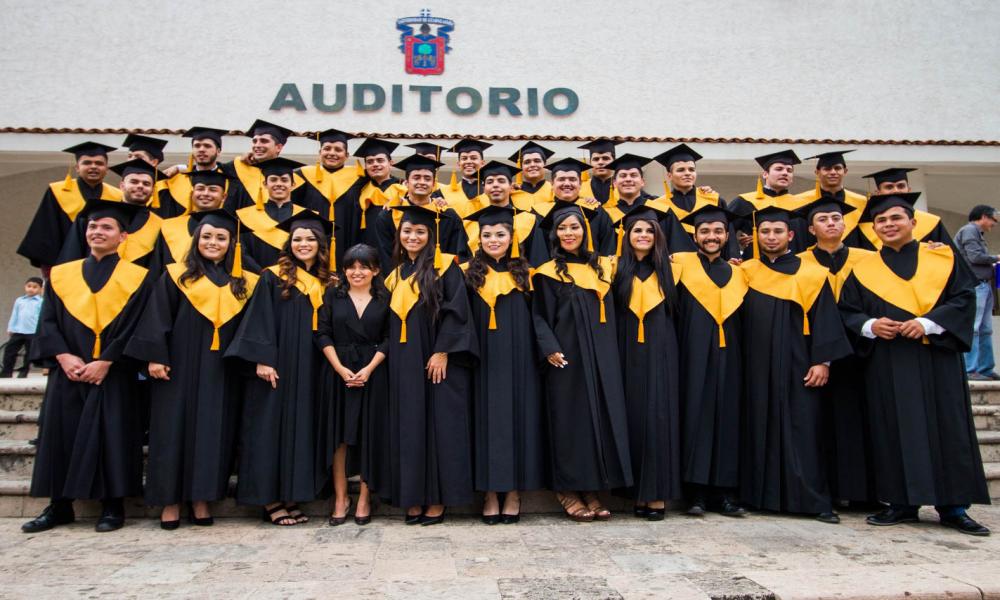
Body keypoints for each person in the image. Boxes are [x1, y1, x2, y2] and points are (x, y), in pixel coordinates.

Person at [839, 192, 992, 536]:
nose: (889, 225)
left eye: (896, 218)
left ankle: (954, 507)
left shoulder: (942, 259)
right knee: (892, 427)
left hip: (937, 357)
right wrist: (870, 325)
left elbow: (964, 299)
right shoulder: (863, 268)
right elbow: (848, 311)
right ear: (873, 227)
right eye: (881, 221)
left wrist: (927, 323)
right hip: (888, 360)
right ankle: (901, 502)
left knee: (947, 427)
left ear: (912, 222)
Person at [21, 200, 152, 534]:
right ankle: (59, 505)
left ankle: (112, 505)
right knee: (60, 436)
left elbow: (138, 326)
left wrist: (107, 360)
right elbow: (47, 322)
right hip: (70, 370)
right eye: (93, 226)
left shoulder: (139, 278)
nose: (97, 232)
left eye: (107, 227)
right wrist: (63, 357)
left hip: (113, 372)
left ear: (123, 236)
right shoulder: (62, 275)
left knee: (115, 436)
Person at [125, 209, 258, 529]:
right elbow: (157, 318)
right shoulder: (175, 275)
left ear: (232, 244)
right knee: (171, 432)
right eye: (208, 236)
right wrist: (155, 357)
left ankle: (201, 498)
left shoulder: (243, 282)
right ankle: (170, 501)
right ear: (196, 239)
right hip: (178, 368)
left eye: (222, 238)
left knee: (215, 434)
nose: (214, 242)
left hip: (222, 371)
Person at [739, 206, 852, 523]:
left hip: (799, 363)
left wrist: (822, 361)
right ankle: (759, 496)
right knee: (758, 425)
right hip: (756, 365)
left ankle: (813, 500)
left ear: (790, 235)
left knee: (803, 428)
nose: (771, 236)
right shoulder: (746, 272)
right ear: (756, 236)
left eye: (777, 231)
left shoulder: (813, 274)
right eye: (765, 231)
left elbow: (826, 320)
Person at [225, 212, 336, 525]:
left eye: (310, 239)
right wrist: (263, 359)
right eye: (297, 239)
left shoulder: (330, 281)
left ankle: (291, 495)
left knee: (303, 429)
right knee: (269, 429)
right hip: (279, 366)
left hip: (314, 368)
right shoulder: (272, 276)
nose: (303, 244)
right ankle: (270, 500)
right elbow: (260, 319)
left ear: (321, 245)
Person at [532, 203, 631, 521]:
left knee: (596, 422)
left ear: (585, 231)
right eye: (562, 228)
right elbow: (539, 315)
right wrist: (549, 347)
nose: (569, 233)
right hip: (566, 358)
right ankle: (567, 490)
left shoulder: (603, 268)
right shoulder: (547, 272)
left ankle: (590, 488)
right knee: (569, 423)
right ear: (555, 234)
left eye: (574, 227)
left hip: (602, 357)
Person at [381, 204, 478, 526]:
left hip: (436, 361)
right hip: (403, 363)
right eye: (407, 231)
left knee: (440, 427)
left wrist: (442, 352)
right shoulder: (395, 273)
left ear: (430, 236)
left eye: (420, 231)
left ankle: (437, 498)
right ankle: (413, 496)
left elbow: (457, 311)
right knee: (409, 427)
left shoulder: (445, 267)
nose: (413, 236)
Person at [463, 205, 545, 524]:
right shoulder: (467, 273)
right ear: (478, 238)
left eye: (500, 234)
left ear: (512, 238)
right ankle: (489, 491)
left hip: (519, 358)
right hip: (482, 358)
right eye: (487, 235)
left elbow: (539, 316)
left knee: (517, 421)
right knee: (485, 422)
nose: (493, 239)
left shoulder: (526, 273)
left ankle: (512, 491)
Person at [795, 197, 879, 507]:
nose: (831, 223)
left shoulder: (870, 259)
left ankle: (862, 492)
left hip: (863, 351)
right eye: (823, 219)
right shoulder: (799, 262)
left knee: (860, 420)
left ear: (845, 224)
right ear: (810, 228)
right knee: (818, 422)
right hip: (814, 352)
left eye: (836, 218)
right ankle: (825, 489)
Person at [673, 205, 748, 517]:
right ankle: (696, 493)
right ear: (695, 235)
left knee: (729, 422)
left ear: (727, 235)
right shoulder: (680, 268)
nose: (711, 236)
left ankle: (726, 493)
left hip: (731, 359)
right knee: (694, 420)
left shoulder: (740, 273)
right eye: (704, 231)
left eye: (717, 231)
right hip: (691, 357)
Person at [612, 206, 682, 520]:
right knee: (633, 419)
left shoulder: (673, 270)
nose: (643, 235)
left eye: (649, 231)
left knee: (659, 420)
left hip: (662, 351)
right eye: (637, 230)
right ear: (627, 236)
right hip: (626, 352)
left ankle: (657, 495)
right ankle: (637, 493)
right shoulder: (615, 269)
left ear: (658, 237)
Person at [315, 243, 388, 527]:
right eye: (351, 266)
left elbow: (389, 337)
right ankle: (340, 498)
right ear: (344, 270)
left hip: (373, 370)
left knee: (369, 434)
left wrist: (368, 369)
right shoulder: (333, 295)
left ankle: (364, 499)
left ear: (376, 270)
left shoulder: (385, 297)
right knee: (340, 438)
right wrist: (340, 368)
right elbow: (322, 334)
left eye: (364, 266)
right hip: (338, 371)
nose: (357, 272)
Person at [17, 141, 122, 270]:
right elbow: (46, 231)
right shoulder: (57, 191)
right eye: (87, 163)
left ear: (106, 169)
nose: (93, 167)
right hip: (63, 264)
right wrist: (50, 268)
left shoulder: (116, 196)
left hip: (105, 266)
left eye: (99, 163)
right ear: (77, 167)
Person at [58, 158, 166, 274]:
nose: (140, 186)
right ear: (122, 186)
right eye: (134, 182)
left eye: (146, 184)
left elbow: (157, 266)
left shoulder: (160, 225)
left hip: (138, 288)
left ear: (152, 190)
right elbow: (72, 253)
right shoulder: (95, 214)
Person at [374, 154, 469, 272]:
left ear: (434, 184)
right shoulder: (388, 215)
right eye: (416, 177)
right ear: (407, 183)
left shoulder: (448, 216)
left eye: (427, 178)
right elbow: (385, 258)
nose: (422, 182)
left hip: (439, 282)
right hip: (401, 283)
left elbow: (458, 254)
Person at [294, 128, 366, 269]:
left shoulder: (360, 178)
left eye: (338, 150)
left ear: (346, 155)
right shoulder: (302, 175)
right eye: (327, 148)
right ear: (320, 153)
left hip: (348, 242)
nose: (332, 153)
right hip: (311, 244)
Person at [651, 144, 736, 256]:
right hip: (675, 267)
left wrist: (732, 258)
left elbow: (728, 234)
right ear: (669, 175)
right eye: (681, 170)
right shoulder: (659, 205)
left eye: (691, 169)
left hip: (712, 265)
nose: (687, 173)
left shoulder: (713, 199)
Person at [460, 161, 549, 267]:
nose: (495, 185)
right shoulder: (471, 223)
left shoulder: (528, 220)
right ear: (484, 188)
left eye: (501, 181)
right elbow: (464, 262)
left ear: (510, 186)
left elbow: (538, 261)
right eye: (490, 182)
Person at [728, 150, 811, 257]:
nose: (785, 173)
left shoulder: (803, 206)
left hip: (795, 267)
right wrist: (734, 255)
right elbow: (725, 229)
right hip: (755, 266)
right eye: (779, 169)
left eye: (789, 170)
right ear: (765, 174)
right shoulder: (744, 202)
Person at [847, 167, 954, 250]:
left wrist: (942, 250)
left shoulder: (932, 222)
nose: (896, 191)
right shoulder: (863, 227)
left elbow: (952, 259)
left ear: (909, 189)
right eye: (889, 187)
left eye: (901, 186)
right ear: (878, 193)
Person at [236, 157, 309, 269]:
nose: (279, 184)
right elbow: (242, 252)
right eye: (273, 180)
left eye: (284, 180)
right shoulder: (246, 216)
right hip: (256, 280)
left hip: (296, 280)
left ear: (293, 185)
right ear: (265, 184)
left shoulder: (306, 217)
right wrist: (264, 275)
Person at [953, 204, 1000, 380]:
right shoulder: (970, 231)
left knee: (986, 329)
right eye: (993, 220)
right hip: (975, 285)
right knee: (974, 328)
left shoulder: (975, 233)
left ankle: (985, 368)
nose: (994, 224)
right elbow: (975, 257)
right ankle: (970, 369)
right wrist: (996, 258)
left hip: (984, 285)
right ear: (984, 217)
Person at [533, 157, 616, 256]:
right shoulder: (538, 212)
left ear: (580, 184)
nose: (567, 183)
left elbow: (608, 246)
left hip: (592, 269)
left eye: (572, 179)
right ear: (552, 184)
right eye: (561, 179)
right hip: (550, 270)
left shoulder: (596, 210)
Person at [155, 169, 234, 265]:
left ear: (224, 197)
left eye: (213, 190)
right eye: (200, 189)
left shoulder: (232, 228)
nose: (205, 193)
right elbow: (157, 263)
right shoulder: (169, 226)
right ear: (192, 193)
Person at [794, 150, 868, 244]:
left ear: (845, 171)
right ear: (817, 172)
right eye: (827, 169)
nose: (833, 172)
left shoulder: (861, 201)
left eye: (837, 168)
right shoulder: (801, 200)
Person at [223, 119, 296, 212]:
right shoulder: (235, 169)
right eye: (254, 141)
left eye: (264, 141)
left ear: (278, 147)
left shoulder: (291, 178)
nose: (257, 145)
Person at [159, 126, 229, 218]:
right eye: (197, 146)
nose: (201, 149)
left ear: (218, 151)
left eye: (207, 146)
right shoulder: (175, 181)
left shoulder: (230, 179)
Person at [353, 137, 402, 249]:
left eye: (380, 160)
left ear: (391, 163)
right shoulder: (360, 190)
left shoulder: (403, 187)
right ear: (365, 167)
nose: (375, 164)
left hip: (395, 248)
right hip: (367, 250)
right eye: (370, 162)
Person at [1, 277, 44, 378]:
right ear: (25, 287)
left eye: (35, 287)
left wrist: (40, 331)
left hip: (32, 331)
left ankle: (24, 372)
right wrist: (11, 327)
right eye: (29, 286)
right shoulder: (19, 300)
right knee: (9, 351)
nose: (31, 289)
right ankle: (7, 371)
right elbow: (14, 315)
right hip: (18, 330)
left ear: (40, 289)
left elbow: (42, 317)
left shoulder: (40, 302)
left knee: (29, 354)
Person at [441, 138, 492, 207]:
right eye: (464, 158)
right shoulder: (443, 193)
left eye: (473, 158)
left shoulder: (493, 191)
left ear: (482, 163)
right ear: (459, 164)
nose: (468, 162)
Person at [508, 142, 555, 206]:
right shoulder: (511, 193)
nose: (532, 165)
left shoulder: (554, 191)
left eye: (537, 161)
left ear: (545, 165)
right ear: (521, 167)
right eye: (527, 162)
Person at [578, 138, 622, 204]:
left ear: (614, 161)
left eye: (605, 158)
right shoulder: (579, 189)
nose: (600, 162)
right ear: (590, 163)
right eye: (596, 159)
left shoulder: (625, 187)